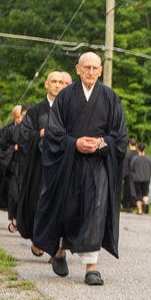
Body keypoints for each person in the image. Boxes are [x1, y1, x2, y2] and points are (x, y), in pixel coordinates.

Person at [33, 53, 127, 286]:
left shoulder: (110, 98)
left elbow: (119, 135)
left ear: (100, 71)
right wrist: (74, 143)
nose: (91, 72)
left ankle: (91, 267)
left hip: (98, 165)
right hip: (69, 163)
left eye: (95, 68)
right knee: (67, 209)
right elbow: (54, 133)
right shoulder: (65, 97)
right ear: (77, 69)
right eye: (86, 67)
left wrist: (100, 143)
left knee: (96, 210)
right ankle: (59, 251)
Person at [16, 71, 71, 249]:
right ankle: (38, 239)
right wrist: (40, 133)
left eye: (61, 82)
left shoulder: (71, 109)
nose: (57, 85)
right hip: (40, 165)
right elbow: (23, 136)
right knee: (38, 203)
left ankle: (56, 247)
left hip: (63, 165)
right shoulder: (35, 111)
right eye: (53, 81)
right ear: (46, 84)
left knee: (62, 206)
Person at [2, 105, 25, 231]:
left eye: (21, 116)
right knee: (14, 194)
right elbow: (2, 148)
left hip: (25, 168)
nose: (19, 119)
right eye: (17, 116)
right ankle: (14, 218)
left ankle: (21, 220)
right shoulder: (8, 130)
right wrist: (13, 148)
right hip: (12, 167)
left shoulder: (29, 130)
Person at [129, 142, 151, 214]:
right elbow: (150, 169)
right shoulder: (148, 158)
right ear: (144, 149)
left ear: (138, 149)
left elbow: (131, 168)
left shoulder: (135, 158)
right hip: (146, 179)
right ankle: (146, 203)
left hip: (137, 179)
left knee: (138, 195)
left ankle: (140, 210)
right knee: (145, 194)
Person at [121, 137, 138, 210]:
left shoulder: (127, 155)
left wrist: (123, 176)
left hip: (129, 176)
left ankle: (128, 206)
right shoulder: (138, 154)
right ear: (136, 145)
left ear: (129, 144)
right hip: (138, 175)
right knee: (137, 191)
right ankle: (137, 205)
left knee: (128, 191)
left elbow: (125, 167)